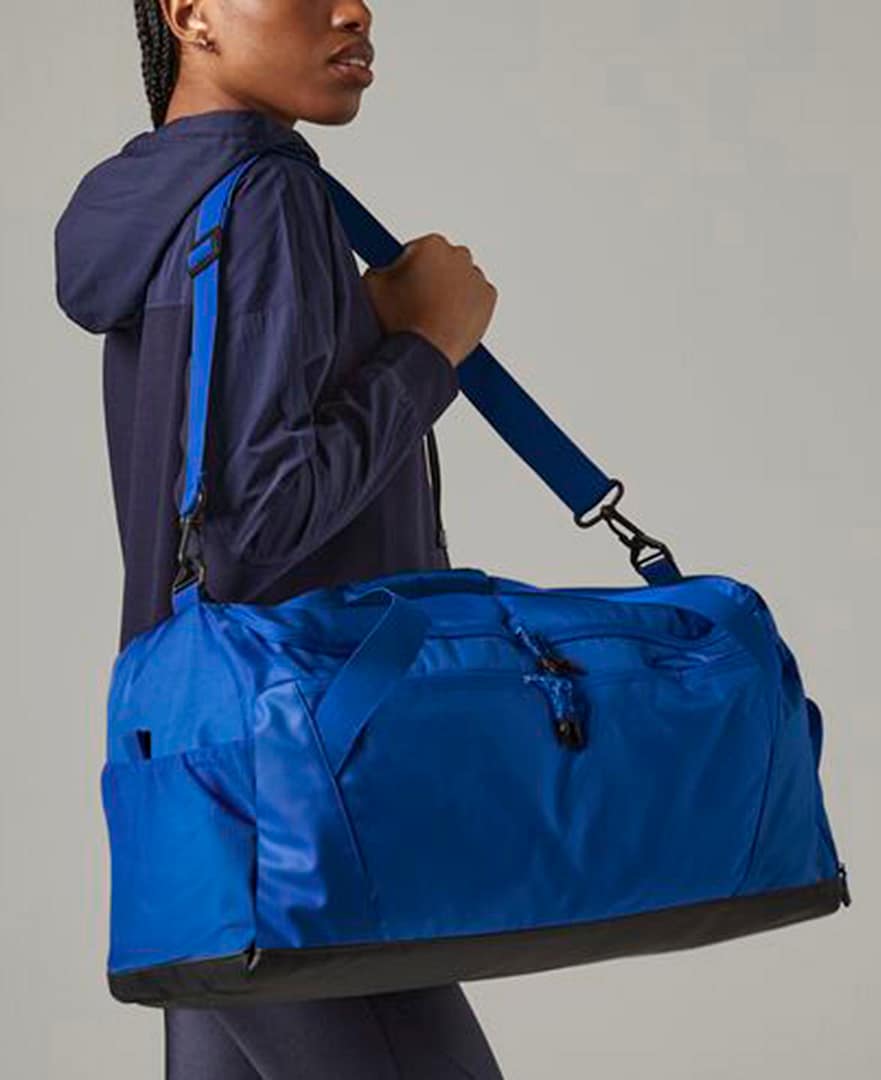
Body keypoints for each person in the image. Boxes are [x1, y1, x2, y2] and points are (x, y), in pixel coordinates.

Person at [53, 1, 503, 1077]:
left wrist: (366, 337)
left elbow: (223, 499)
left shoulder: (176, 202)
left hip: (195, 774)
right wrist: (429, 348)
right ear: (192, 14)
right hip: (302, 796)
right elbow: (257, 521)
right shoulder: (267, 195)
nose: (353, 9)